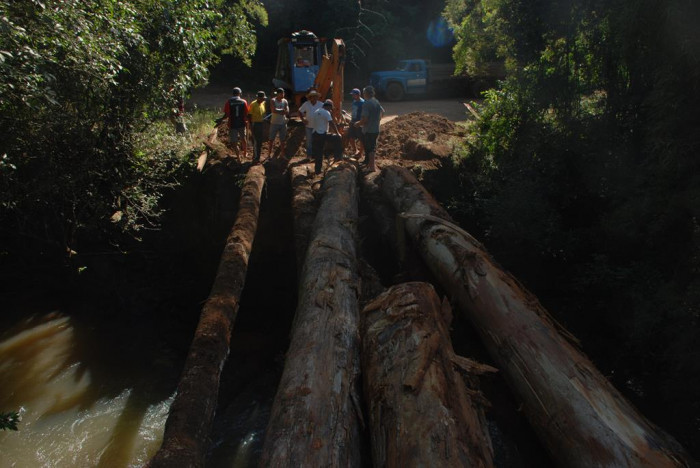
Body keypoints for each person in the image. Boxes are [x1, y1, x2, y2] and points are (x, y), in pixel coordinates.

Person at [355, 85, 384, 172]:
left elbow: (365, 119)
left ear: (366, 93)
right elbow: (383, 112)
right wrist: (377, 120)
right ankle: (367, 163)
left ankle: (372, 167)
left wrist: (358, 123)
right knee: (370, 147)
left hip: (368, 130)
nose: (363, 95)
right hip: (376, 129)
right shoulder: (376, 101)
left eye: (364, 93)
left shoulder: (366, 104)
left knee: (370, 148)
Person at [311, 99, 343, 174]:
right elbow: (331, 123)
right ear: (328, 106)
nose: (331, 110)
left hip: (315, 134)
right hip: (322, 134)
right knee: (337, 138)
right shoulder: (326, 112)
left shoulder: (317, 111)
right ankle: (337, 158)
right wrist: (338, 133)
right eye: (331, 108)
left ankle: (317, 171)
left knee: (319, 152)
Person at [223, 87, 250, 158]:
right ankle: (245, 153)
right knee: (243, 138)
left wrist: (220, 119)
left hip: (232, 124)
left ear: (233, 93)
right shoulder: (244, 102)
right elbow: (246, 113)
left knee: (234, 142)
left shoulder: (229, 102)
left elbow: (226, 114)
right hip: (242, 123)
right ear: (240, 93)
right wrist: (248, 120)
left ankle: (238, 157)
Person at [298, 90, 323, 158]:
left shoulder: (321, 104)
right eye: (312, 96)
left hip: (317, 127)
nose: (314, 98)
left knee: (317, 141)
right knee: (309, 142)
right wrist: (303, 120)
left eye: (315, 96)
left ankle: (316, 155)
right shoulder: (306, 104)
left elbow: (325, 113)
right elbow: (299, 111)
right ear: (310, 98)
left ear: (317, 97)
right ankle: (309, 155)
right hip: (308, 126)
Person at [268, 88, 289, 159]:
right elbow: (273, 110)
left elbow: (287, 111)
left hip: (283, 123)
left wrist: (280, 111)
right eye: (281, 93)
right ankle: (269, 154)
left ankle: (283, 154)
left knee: (282, 140)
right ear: (278, 94)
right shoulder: (273, 100)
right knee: (271, 139)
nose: (283, 95)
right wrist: (282, 111)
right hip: (274, 123)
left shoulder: (285, 101)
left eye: (283, 93)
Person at [248, 91, 267, 162]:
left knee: (259, 141)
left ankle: (257, 156)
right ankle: (256, 157)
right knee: (256, 141)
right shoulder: (253, 104)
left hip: (261, 123)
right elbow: (249, 115)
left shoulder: (263, 104)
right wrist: (251, 126)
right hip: (255, 124)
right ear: (258, 98)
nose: (263, 99)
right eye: (262, 98)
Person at [346, 88, 364, 158]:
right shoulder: (354, 101)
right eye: (352, 95)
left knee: (361, 138)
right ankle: (355, 150)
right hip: (353, 121)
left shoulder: (362, 103)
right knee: (351, 137)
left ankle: (360, 153)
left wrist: (361, 122)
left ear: (358, 95)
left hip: (359, 122)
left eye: (354, 95)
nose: (353, 96)